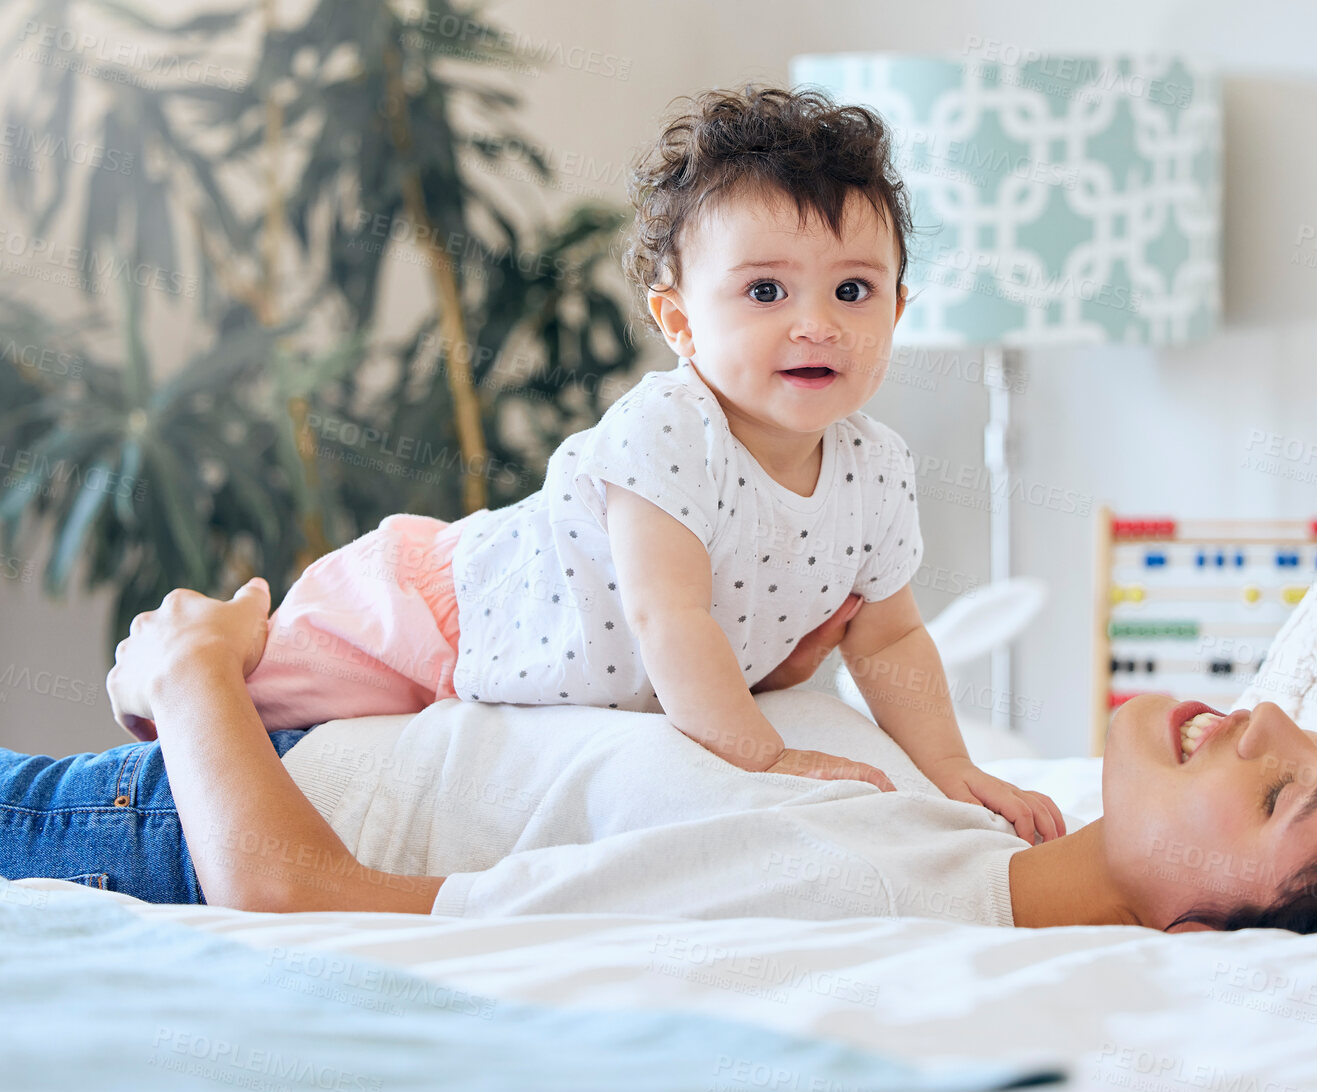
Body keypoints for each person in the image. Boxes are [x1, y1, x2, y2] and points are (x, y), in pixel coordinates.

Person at [107, 84, 1063, 843]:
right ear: (679, 322)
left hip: (527, 669)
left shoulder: (877, 468)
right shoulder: (670, 428)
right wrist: (758, 758)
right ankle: (142, 691)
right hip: (441, 613)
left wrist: (955, 770)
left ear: (897, 312)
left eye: (853, 289)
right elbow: (666, 612)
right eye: (765, 289)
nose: (815, 322)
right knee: (245, 704)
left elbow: (887, 640)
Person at [3, 579, 1317, 934]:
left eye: (1289, 789)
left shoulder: (855, 901)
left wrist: (194, 671)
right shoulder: (966, 832)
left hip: (163, 823)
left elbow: (288, 895)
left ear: (1221, 933)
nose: (1271, 719)